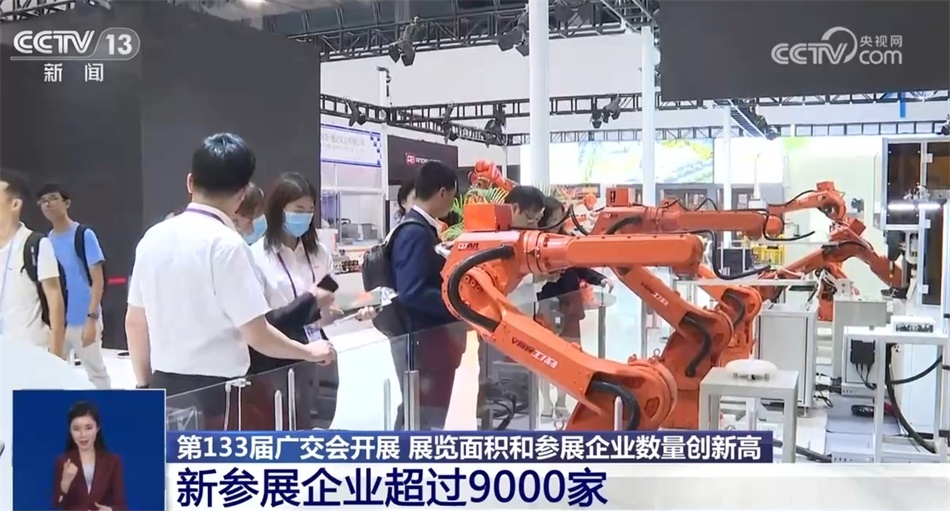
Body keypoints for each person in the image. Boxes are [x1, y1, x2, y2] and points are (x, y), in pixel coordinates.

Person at [126, 133, 336, 411]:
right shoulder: (228, 245)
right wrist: (308, 352)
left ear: (190, 182)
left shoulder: (152, 238)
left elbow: (135, 322)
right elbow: (257, 334)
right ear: (242, 194)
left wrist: (144, 386)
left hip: (163, 385)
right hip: (218, 395)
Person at [249, 172, 375, 429]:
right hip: (276, 356)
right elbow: (261, 321)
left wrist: (355, 311)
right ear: (279, 210)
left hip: (319, 352)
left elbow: (329, 305)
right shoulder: (256, 256)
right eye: (298, 210)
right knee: (281, 425)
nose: (305, 217)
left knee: (316, 424)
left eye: (309, 210)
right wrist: (310, 301)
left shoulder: (320, 254)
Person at [389, 161, 465, 430]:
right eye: (453, 195)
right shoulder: (414, 232)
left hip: (429, 340)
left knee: (423, 412)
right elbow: (412, 291)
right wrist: (456, 305)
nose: (453, 203)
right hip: (422, 341)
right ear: (443, 192)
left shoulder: (423, 229)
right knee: (422, 415)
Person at [535, 195, 613, 417]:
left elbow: (581, 267)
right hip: (545, 307)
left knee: (569, 356)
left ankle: (561, 402)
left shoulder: (567, 240)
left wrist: (600, 279)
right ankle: (546, 403)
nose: (558, 223)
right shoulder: (535, 241)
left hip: (569, 307)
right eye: (554, 218)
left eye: (561, 218)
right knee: (543, 357)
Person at [36, 183, 111, 389]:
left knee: (96, 372)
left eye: (53, 198)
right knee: (57, 374)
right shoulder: (46, 241)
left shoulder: (84, 235)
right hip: (59, 323)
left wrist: (92, 319)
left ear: (66, 203)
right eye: (43, 201)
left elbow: (98, 280)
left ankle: (107, 406)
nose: (48, 204)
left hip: (83, 319)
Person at [0, 171, 66, 356]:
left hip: (31, 354)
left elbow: (55, 301)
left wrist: (56, 356)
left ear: (15, 205)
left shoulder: (35, 245)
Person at [53, 401, 126, 511]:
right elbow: (57, 504)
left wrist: (110, 510)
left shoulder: (112, 461)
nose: (83, 435)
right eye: (76, 429)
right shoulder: (62, 461)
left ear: (97, 428)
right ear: (70, 430)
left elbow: (121, 506)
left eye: (88, 428)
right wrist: (65, 483)